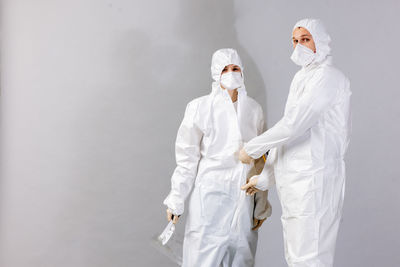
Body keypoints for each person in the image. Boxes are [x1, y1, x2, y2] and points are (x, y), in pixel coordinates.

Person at [240, 19, 351, 266]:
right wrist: (266, 178)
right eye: (294, 41)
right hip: (296, 185)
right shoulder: (302, 78)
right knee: (296, 257)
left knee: (310, 258)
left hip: (315, 180)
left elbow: (294, 125)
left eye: (305, 39)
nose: (299, 46)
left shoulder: (328, 78)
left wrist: (252, 148)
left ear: (320, 41)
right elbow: (290, 137)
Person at [163, 48, 272, 267]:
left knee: (242, 259)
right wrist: (177, 198)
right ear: (215, 72)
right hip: (210, 200)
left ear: (242, 72)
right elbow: (187, 158)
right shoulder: (199, 108)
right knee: (202, 260)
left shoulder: (254, 110)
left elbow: (262, 160)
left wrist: (261, 204)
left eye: (235, 68)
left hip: (243, 200)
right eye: (224, 69)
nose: (230, 73)